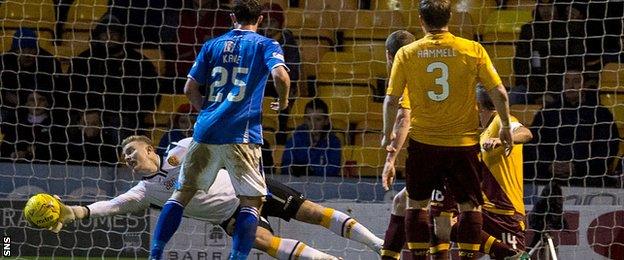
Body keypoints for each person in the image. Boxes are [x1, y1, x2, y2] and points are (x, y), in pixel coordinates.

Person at [47, 135, 383, 259]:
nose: (128, 158)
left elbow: (203, 138)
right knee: (264, 242)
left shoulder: (178, 148)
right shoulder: (144, 191)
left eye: (132, 151)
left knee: (313, 213)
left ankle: (378, 245)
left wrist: (188, 153)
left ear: (150, 148)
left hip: (249, 187)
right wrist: (72, 212)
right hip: (230, 216)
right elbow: (111, 205)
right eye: (124, 157)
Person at [150, 1, 291, 259]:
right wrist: (283, 101)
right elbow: (281, 76)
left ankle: (155, 254)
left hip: (205, 131)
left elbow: (189, 88)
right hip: (241, 133)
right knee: (252, 201)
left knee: (181, 194)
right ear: (260, 19)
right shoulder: (265, 44)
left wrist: (206, 111)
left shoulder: (211, 45)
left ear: (231, 18)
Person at [381, 1, 513, 259]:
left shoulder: (407, 53)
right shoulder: (472, 49)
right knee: (469, 208)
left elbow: (391, 100)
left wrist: (387, 134)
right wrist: (506, 125)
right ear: (449, 17)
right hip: (463, 144)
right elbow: (498, 92)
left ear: (421, 19)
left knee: (416, 204)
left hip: (424, 143)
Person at [524, 68, 620, 187]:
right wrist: (548, 165)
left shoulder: (600, 113)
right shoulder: (547, 112)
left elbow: (607, 148)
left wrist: (577, 167)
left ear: (584, 85)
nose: (571, 86)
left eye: (576, 81)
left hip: (586, 177)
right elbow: (534, 144)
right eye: (567, 81)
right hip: (548, 176)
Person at [68, 14, 159, 139]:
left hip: (125, 118)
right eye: (104, 34)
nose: (109, 38)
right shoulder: (82, 61)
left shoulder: (138, 62)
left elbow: (151, 93)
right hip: (87, 115)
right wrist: (86, 112)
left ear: (121, 36)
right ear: (97, 36)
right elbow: (71, 91)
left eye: (113, 33)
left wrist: (131, 112)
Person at [0, 28, 62, 120]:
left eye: (31, 49)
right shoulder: (3, 62)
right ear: (15, 50)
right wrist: (4, 95)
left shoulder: (50, 62)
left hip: (42, 108)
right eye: (22, 50)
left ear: (37, 49)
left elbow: (59, 92)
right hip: (10, 108)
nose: (27, 55)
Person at [281, 99, 342, 177]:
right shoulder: (295, 138)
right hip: (296, 183)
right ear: (304, 119)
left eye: (318, 120)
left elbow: (333, 170)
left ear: (326, 121)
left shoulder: (333, 142)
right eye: (309, 119)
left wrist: (310, 169)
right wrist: (293, 170)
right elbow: (285, 165)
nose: (313, 124)